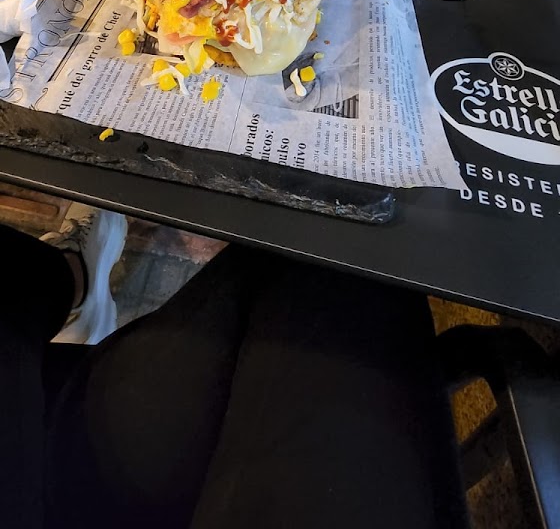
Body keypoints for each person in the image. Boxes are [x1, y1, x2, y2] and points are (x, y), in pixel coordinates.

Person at [1, 204, 468, 529]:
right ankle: (65, 280)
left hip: (56, 435)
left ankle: (72, 279)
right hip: (64, 489)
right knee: (343, 248)